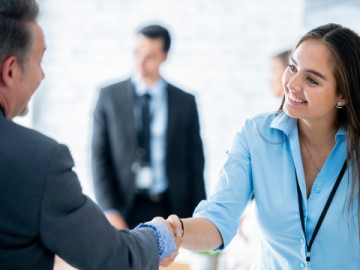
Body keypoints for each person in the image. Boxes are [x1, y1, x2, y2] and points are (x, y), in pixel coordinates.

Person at [0, 1, 181, 269]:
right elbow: (114, 257)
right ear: (11, 70)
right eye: (39, 61)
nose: (43, 74)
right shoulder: (39, 162)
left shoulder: (183, 101)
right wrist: (160, 236)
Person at [163, 23, 360, 269]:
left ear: (342, 94)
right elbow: (218, 218)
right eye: (292, 67)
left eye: (311, 79)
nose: (292, 84)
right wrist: (175, 231)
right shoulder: (256, 135)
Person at [92, 24, 206, 229]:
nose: (141, 61)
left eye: (150, 56)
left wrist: (199, 218)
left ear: (165, 56)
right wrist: (110, 210)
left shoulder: (185, 102)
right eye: (137, 52)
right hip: (125, 207)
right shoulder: (109, 96)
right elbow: (99, 157)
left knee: (173, 262)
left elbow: (196, 163)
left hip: (171, 208)